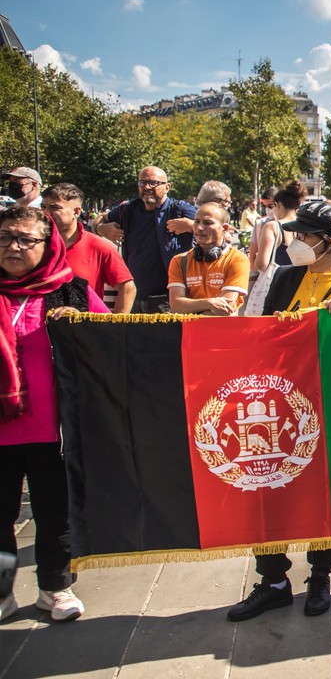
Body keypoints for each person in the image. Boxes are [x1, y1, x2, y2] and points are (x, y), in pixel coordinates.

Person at [227, 201, 331, 622]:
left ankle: (320, 573)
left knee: (327, 493)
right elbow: (256, 334)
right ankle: (273, 580)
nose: (294, 243)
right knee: (266, 488)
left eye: (302, 236)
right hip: (278, 412)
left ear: (327, 242)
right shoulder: (283, 278)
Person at [0, 206, 108, 623]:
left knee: (53, 513)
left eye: (26, 239)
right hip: (2, 433)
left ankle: (55, 589)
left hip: (54, 431)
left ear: (48, 246)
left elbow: (112, 342)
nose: (14, 246)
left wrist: (81, 326)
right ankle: (3, 593)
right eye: (7, 236)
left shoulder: (72, 291)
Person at [94, 166, 195, 313]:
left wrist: (191, 225)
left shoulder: (179, 209)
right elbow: (98, 220)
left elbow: (216, 229)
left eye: (153, 183)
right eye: (142, 183)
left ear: (167, 187)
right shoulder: (128, 209)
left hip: (168, 299)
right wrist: (101, 229)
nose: (147, 187)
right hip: (134, 297)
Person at [42, 183, 135, 314]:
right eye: (43, 207)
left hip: (84, 330)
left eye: (54, 207)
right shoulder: (34, 244)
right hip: (38, 329)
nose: (46, 213)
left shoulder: (99, 247)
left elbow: (128, 288)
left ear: (76, 212)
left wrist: (116, 328)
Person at [167, 203, 250, 316]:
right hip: (189, 332)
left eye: (208, 223)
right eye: (196, 221)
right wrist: (209, 303)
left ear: (225, 228)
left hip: (225, 331)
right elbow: (177, 306)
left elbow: (224, 308)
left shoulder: (238, 260)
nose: (200, 228)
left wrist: (192, 307)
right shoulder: (179, 260)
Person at [254, 181, 302, 275]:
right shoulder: (304, 226)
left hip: (277, 282)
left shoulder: (272, 226)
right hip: (300, 282)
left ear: (277, 205)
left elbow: (261, 264)